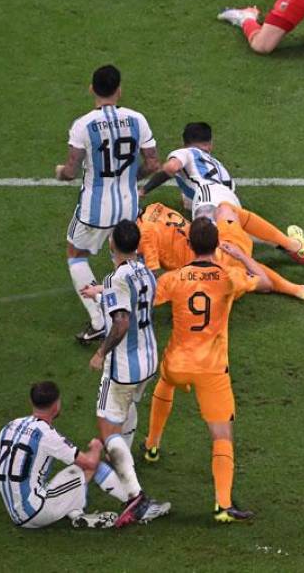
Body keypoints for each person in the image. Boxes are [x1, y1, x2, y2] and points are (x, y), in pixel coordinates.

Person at [144, 216, 278, 522]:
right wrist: (242, 256)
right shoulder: (228, 277)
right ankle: (222, 504)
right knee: (222, 435)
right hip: (212, 370)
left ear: (189, 244)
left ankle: (151, 445)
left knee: (164, 382)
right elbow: (267, 283)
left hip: (177, 363)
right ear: (217, 245)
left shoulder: (174, 278)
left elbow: (145, 299)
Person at [56, 65, 160, 344]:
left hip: (94, 210)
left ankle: (100, 320)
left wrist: (60, 173)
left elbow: (70, 170)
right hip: (128, 207)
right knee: (128, 258)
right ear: (119, 89)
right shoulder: (138, 120)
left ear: (92, 89)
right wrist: (130, 177)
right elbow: (152, 164)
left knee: (76, 255)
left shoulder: (83, 125)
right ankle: (137, 311)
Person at [78, 221, 171, 527]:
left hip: (122, 366)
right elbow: (129, 293)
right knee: (128, 408)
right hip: (149, 360)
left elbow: (121, 323)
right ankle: (125, 462)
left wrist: (100, 352)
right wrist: (99, 293)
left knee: (107, 429)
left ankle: (136, 498)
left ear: (112, 245)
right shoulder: (145, 270)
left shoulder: (117, 277)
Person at [139, 121, 304, 264]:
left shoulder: (185, 152)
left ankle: (209, 276)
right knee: (235, 237)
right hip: (230, 199)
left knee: (204, 246)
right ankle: (295, 247)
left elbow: (171, 167)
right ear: (211, 144)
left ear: (184, 142)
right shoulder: (218, 166)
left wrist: (144, 190)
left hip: (209, 196)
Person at [136, 201, 304, 304]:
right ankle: (294, 247)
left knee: (241, 270)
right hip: (227, 250)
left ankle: (300, 289)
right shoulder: (155, 207)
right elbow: (264, 283)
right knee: (226, 209)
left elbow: (151, 276)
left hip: (205, 280)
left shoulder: (143, 237)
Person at [0, 381, 133, 529]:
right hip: (35, 513)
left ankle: (77, 516)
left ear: (31, 401)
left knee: (65, 482)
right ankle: (133, 502)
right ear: (56, 407)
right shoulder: (47, 435)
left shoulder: (10, 426)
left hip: (14, 512)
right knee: (85, 468)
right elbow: (89, 463)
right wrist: (96, 447)